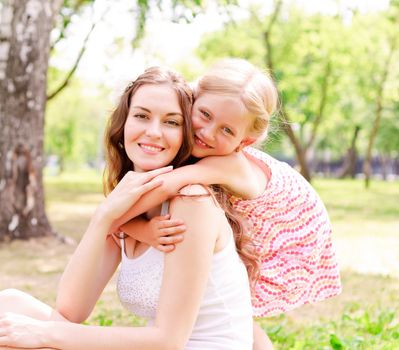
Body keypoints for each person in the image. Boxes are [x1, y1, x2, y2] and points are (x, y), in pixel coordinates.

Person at [0, 66, 256, 350]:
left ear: (185, 133)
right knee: (9, 305)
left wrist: (45, 335)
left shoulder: (192, 201)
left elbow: (167, 341)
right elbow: (71, 309)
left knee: (32, 337)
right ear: (123, 124)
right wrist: (105, 217)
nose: (154, 132)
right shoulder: (128, 207)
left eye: (171, 122)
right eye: (142, 116)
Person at [115, 58, 342, 349]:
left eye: (226, 130)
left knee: (236, 301)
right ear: (193, 99)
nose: (207, 133)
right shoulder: (208, 151)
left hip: (292, 223)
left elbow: (161, 186)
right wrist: (137, 227)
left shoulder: (227, 163)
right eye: (205, 114)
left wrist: (114, 217)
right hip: (258, 207)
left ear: (243, 143)